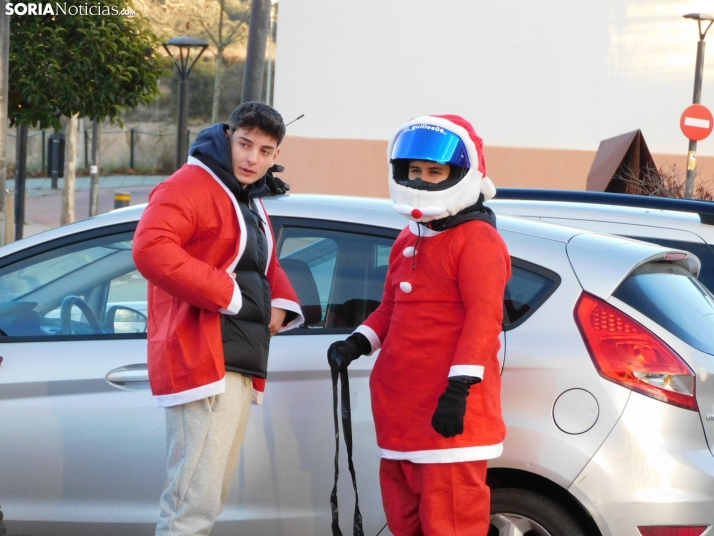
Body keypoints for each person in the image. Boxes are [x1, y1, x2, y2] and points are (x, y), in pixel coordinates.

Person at [328, 115, 511, 535]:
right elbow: (391, 309)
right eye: (416, 172)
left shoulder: (477, 240)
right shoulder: (408, 238)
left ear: (459, 175)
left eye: (435, 172)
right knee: (404, 523)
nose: (423, 180)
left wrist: (459, 388)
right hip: (400, 415)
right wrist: (357, 343)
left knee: (451, 525)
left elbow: (485, 321)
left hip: (448, 416)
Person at [132, 102, 304, 536]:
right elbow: (151, 249)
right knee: (191, 506)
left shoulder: (245, 195)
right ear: (227, 137)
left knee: (205, 503)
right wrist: (232, 296)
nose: (253, 159)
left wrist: (281, 304)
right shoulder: (190, 184)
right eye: (245, 144)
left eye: (266, 151)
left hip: (235, 361)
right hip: (202, 359)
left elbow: (266, 262)